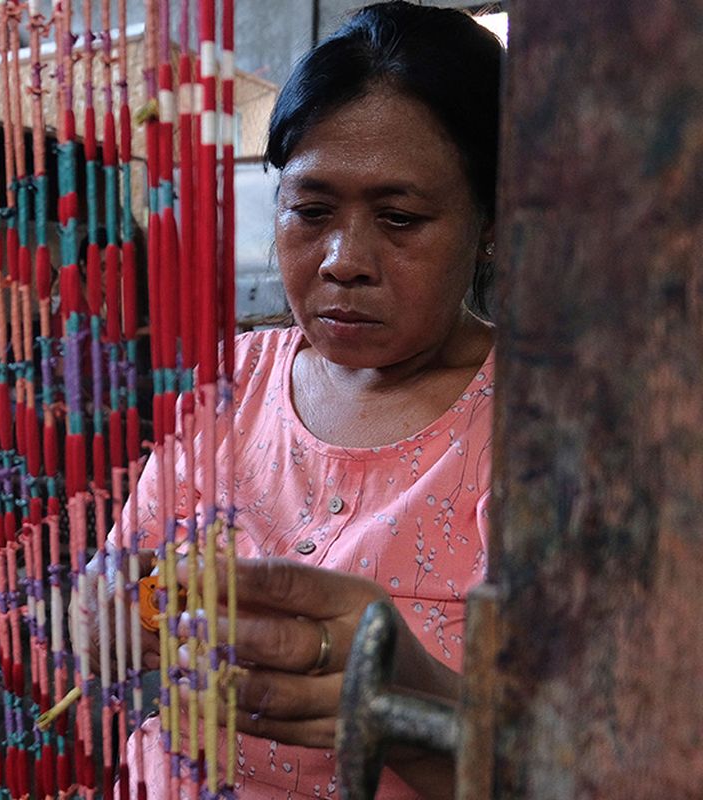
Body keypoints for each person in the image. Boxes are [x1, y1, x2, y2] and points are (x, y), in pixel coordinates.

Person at [104, 3, 504, 798]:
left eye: (401, 219)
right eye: (312, 211)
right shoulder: (235, 383)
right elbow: (119, 596)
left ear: (491, 221)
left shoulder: (545, 432)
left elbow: (595, 764)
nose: (344, 260)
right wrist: (107, 619)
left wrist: (418, 707)